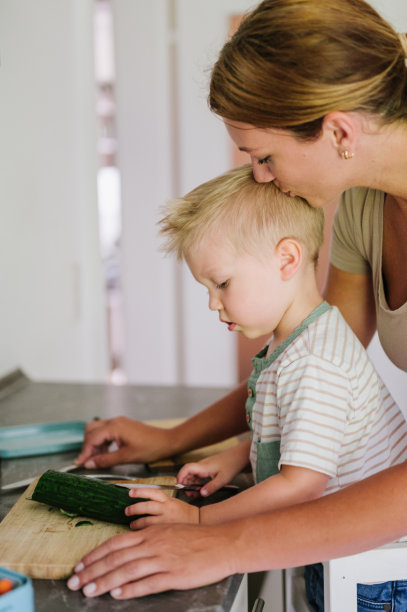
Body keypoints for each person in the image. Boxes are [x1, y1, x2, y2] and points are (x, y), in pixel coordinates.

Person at [69, 0, 407, 607]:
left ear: (338, 132)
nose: (257, 178)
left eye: (263, 157)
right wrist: (174, 439)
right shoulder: (364, 204)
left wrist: (219, 542)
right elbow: (312, 348)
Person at [123, 163, 407, 609]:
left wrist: (198, 520)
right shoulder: (298, 340)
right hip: (336, 545)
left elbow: (301, 486)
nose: (214, 303)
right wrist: (240, 455)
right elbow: (306, 438)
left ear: (287, 260)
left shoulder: (315, 361)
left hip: (373, 574)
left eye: (221, 283)